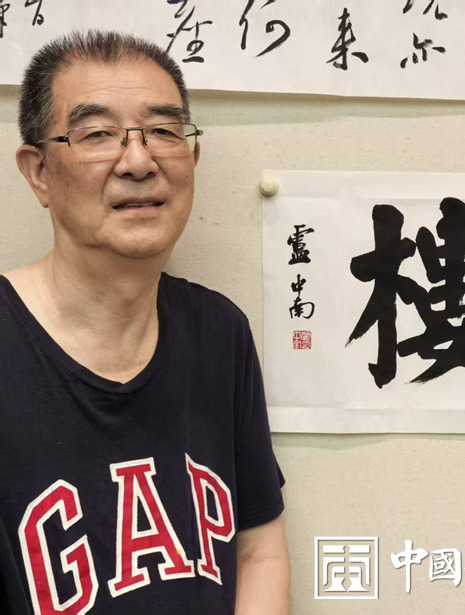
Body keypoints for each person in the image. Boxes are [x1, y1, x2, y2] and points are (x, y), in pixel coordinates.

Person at [0, 31, 289, 614]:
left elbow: (258, 547)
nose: (139, 161)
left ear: (192, 157)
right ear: (39, 172)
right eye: (96, 134)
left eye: (163, 131)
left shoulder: (220, 332)